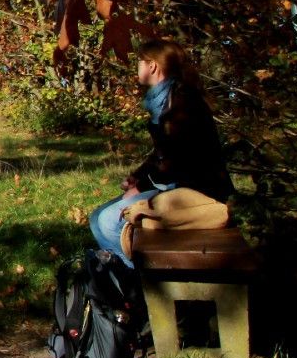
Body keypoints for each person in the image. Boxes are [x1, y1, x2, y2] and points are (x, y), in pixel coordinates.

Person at [88, 39, 235, 265]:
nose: (137, 67)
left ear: (153, 66)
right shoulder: (165, 99)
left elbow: (179, 160)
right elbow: (163, 152)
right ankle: (124, 282)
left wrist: (141, 186)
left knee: (108, 221)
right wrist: (138, 175)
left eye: (140, 62)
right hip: (175, 185)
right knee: (96, 217)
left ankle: (142, 283)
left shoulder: (182, 103)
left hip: (198, 192)